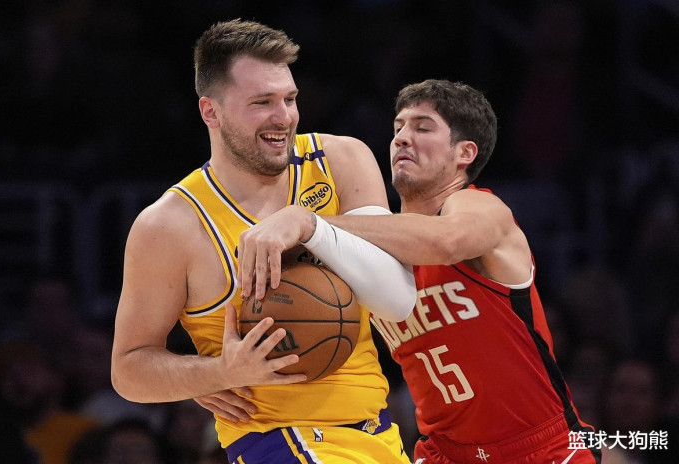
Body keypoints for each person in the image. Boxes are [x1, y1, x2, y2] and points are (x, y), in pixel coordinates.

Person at [238, 79, 601, 463]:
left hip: (540, 447)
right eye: (398, 128)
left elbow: (446, 241)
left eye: (422, 128)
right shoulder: (371, 252)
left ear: (465, 152)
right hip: (443, 453)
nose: (401, 139)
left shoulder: (481, 209)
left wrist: (313, 224)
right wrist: (222, 375)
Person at [110, 19, 416, 464]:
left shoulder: (341, 161)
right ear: (210, 112)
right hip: (278, 441)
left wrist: (311, 226)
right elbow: (128, 369)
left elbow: (396, 301)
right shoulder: (170, 225)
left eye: (289, 99)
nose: (283, 117)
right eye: (262, 102)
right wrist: (214, 372)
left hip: (376, 431)